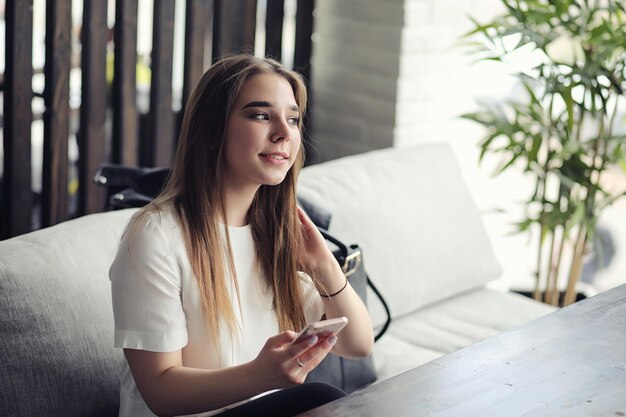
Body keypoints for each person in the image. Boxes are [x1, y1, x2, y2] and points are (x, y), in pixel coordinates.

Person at [110, 54, 374, 417]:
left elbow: (358, 344)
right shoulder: (156, 236)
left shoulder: (276, 234)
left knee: (323, 399)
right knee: (319, 398)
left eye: (293, 119)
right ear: (214, 130)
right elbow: (160, 391)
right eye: (261, 115)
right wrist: (259, 375)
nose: (284, 132)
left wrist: (323, 264)